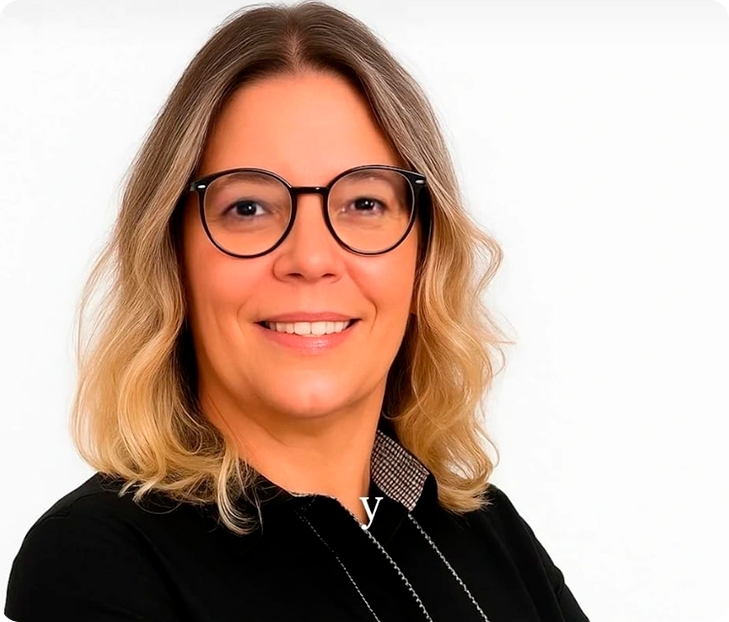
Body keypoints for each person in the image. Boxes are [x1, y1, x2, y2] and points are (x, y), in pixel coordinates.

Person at [4, 2, 590, 621]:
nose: (310, 258)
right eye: (248, 208)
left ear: (426, 255)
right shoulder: (97, 563)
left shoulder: (493, 537)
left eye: (364, 203)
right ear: (172, 256)